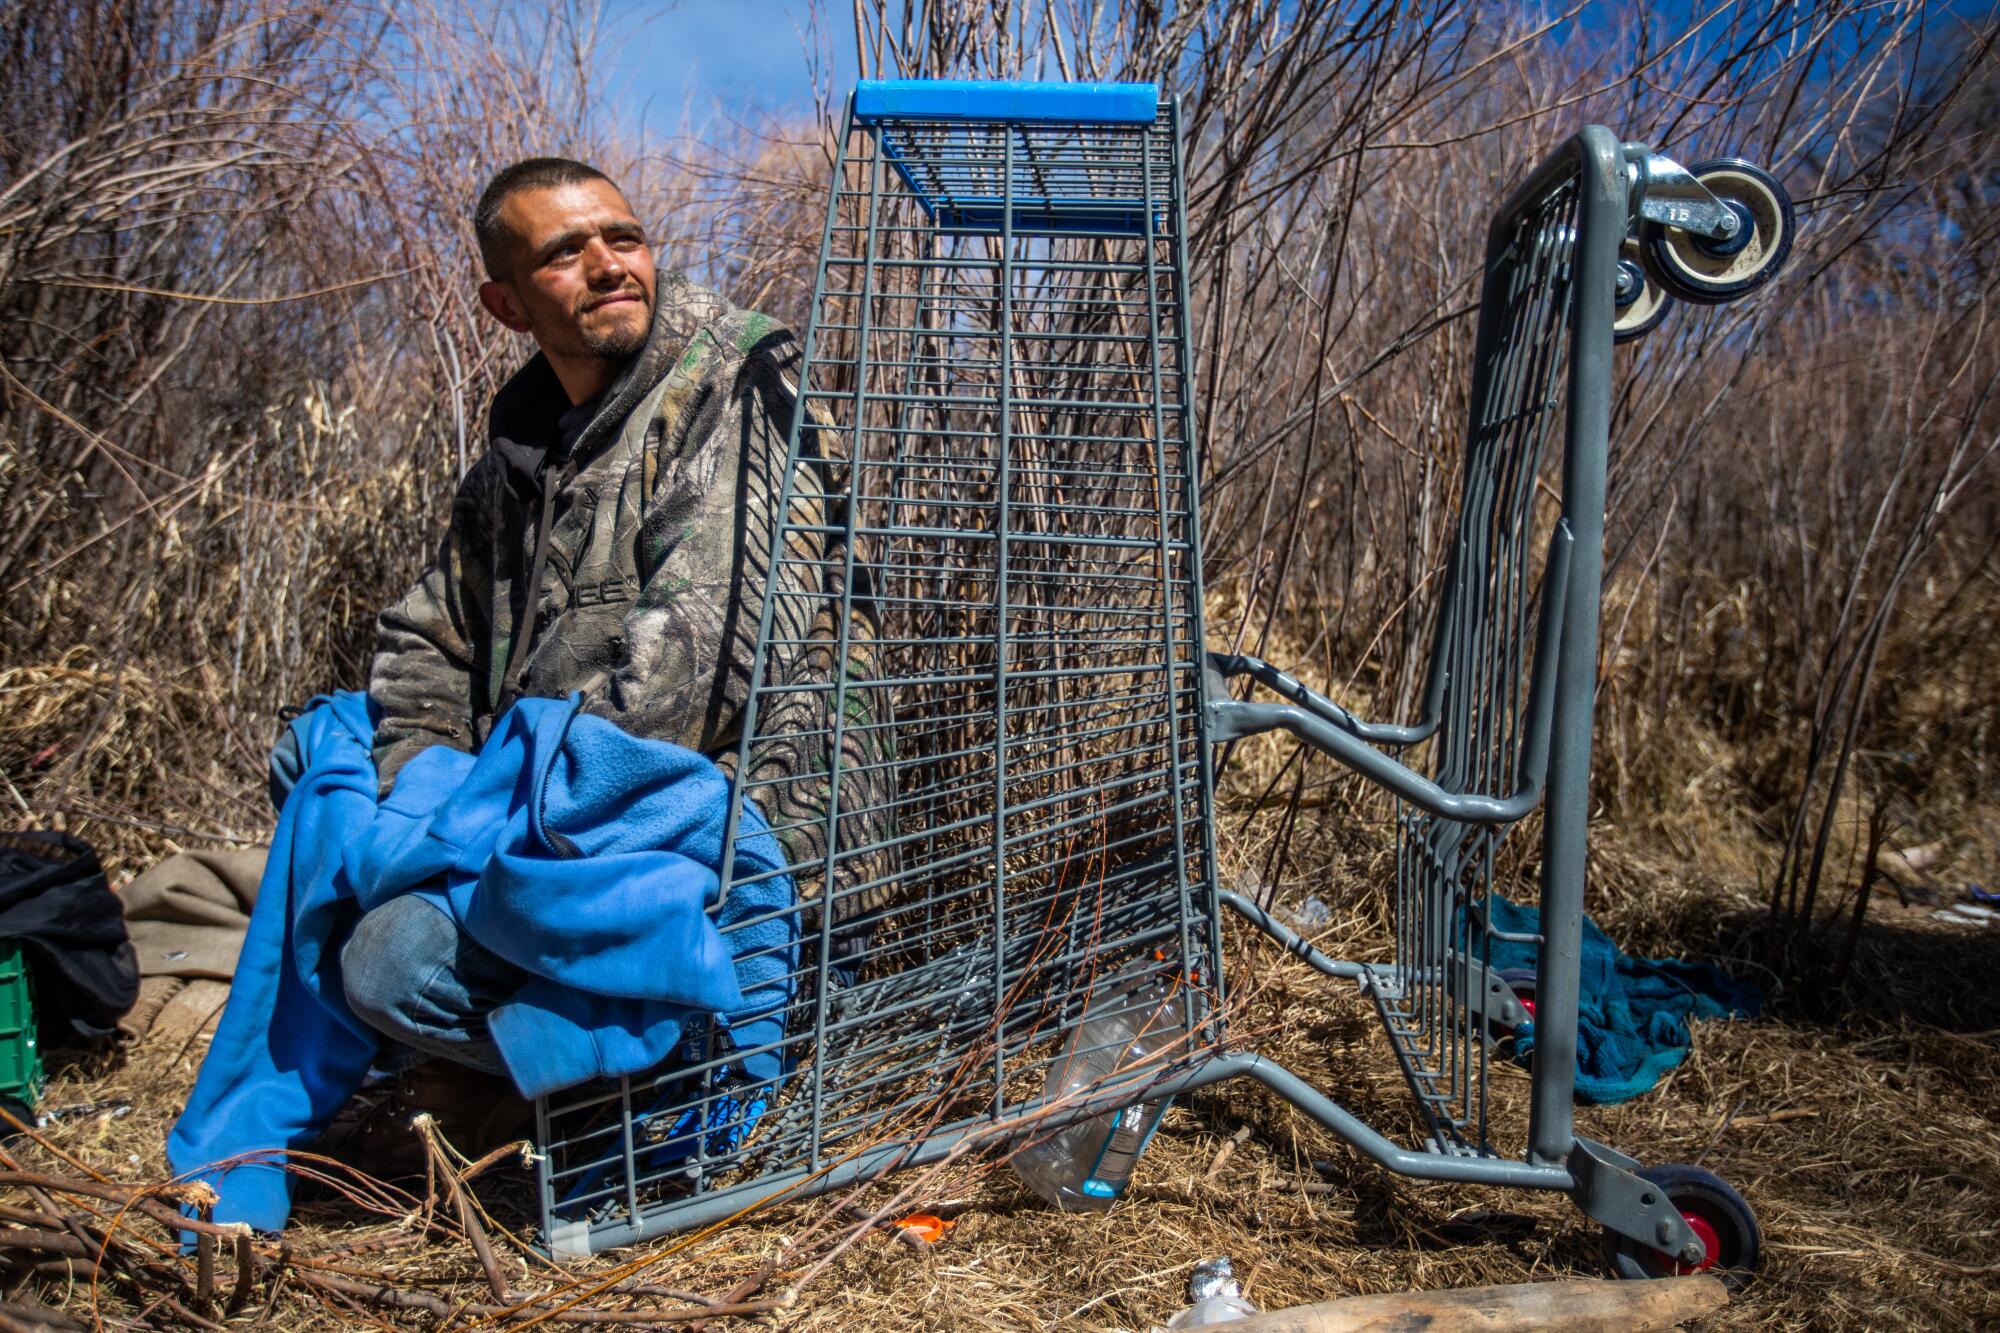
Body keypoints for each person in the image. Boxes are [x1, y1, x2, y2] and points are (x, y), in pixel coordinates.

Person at [327, 157, 888, 1162]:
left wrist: (488, 818)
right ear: (504, 302)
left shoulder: (736, 382)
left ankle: (657, 1070)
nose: (607, 265)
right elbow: (427, 640)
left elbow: (701, 666)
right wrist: (421, 789)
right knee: (336, 842)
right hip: (558, 826)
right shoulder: (520, 456)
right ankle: (574, 1075)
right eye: (563, 253)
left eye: (622, 239)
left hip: (719, 831)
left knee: (391, 958)